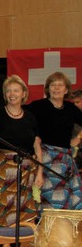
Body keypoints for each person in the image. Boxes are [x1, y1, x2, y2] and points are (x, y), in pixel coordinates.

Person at [0, 75, 43, 247]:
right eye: (9, 91)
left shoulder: (31, 117)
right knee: (0, 211)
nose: (12, 94)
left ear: (23, 94)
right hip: (3, 169)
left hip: (26, 171)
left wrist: (40, 173)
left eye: (16, 90)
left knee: (19, 213)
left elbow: (37, 147)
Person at [27, 72, 82, 210]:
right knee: (51, 198)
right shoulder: (38, 106)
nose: (56, 88)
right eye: (53, 85)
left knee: (75, 197)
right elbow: (18, 116)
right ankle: (51, 229)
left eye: (60, 85)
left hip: (66, 159)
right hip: (46, 158)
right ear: (48, 88)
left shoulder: (70, 108)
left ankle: (69, 230)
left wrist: (79, 138)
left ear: (66, 89)